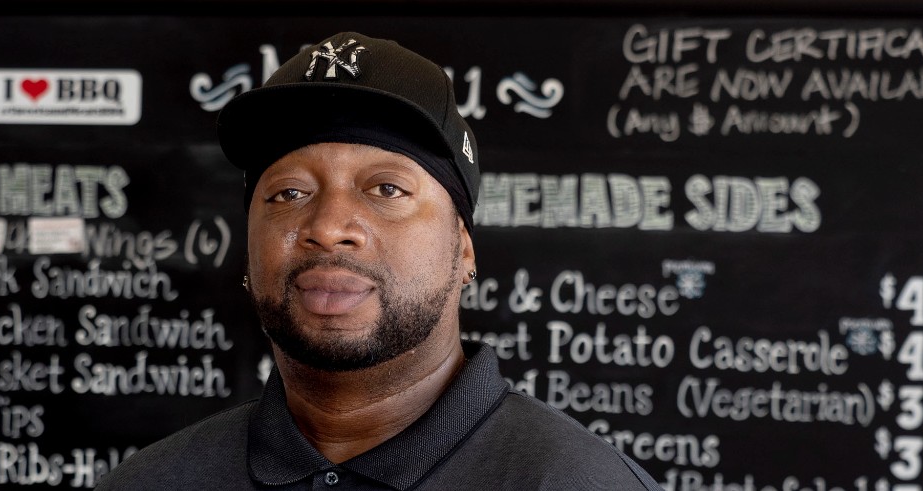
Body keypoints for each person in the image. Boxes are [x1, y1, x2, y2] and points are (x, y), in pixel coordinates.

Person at [97, 32, 662, 490]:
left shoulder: (577, 482)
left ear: (462, 248)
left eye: (386, 189)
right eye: (289, 194)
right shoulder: (151, 481)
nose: (327, 228)